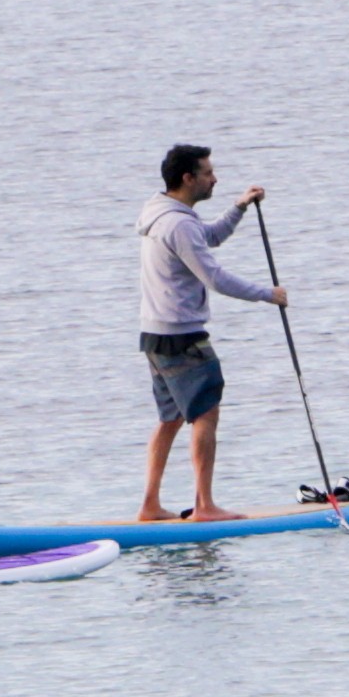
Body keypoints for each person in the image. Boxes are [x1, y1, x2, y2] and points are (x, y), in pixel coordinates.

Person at [134, 144, 289, 521]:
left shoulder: (161, 212)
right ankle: (204, 506)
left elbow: (210, 236)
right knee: (205, 414)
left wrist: (238, 207)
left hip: (154, 335)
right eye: (207, 172)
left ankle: (150, 505)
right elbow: (215, 278)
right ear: (188, 179)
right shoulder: (180, 223)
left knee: (169, 418)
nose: (213, 178)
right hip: (182, 337)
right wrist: (267, 295)